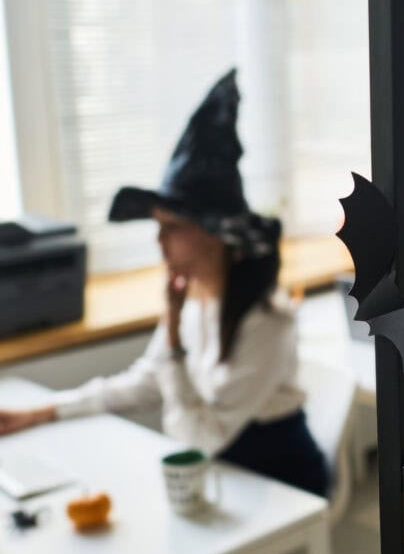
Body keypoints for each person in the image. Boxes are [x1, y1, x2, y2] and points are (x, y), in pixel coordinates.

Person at [0, 70, 329, 497]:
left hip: (278, 486)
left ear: (215, 234)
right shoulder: (194, 302)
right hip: (221, 477)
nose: (160, 241)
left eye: (172, 227)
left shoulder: (267, 320)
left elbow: (198, 440)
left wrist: (173, 339)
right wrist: (44, 412)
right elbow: (147, 382)